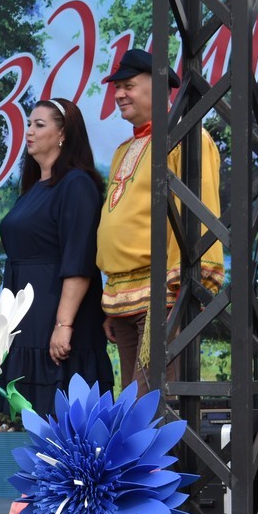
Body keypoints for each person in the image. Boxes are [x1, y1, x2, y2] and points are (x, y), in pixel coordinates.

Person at [97, 49, 225, 394]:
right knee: (130, 403)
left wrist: (184, 292)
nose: (119, 94)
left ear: (158, 86)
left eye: (127, 86)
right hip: (124, 298)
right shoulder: (124, 149)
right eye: (116, 87)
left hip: (161, 296)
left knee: (148, 404)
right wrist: (112, 300)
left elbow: (200, 214)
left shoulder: (187, 137)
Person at [0, 98, 113, 419]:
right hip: (29, 319)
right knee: (36, 417)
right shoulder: (34, 188)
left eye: (39, 125)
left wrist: (64, 324)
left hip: (58, 315)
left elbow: (79, 258)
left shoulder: (76, 183)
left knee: (65, 416)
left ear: (63, 134)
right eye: (28, 124)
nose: (29, 132)